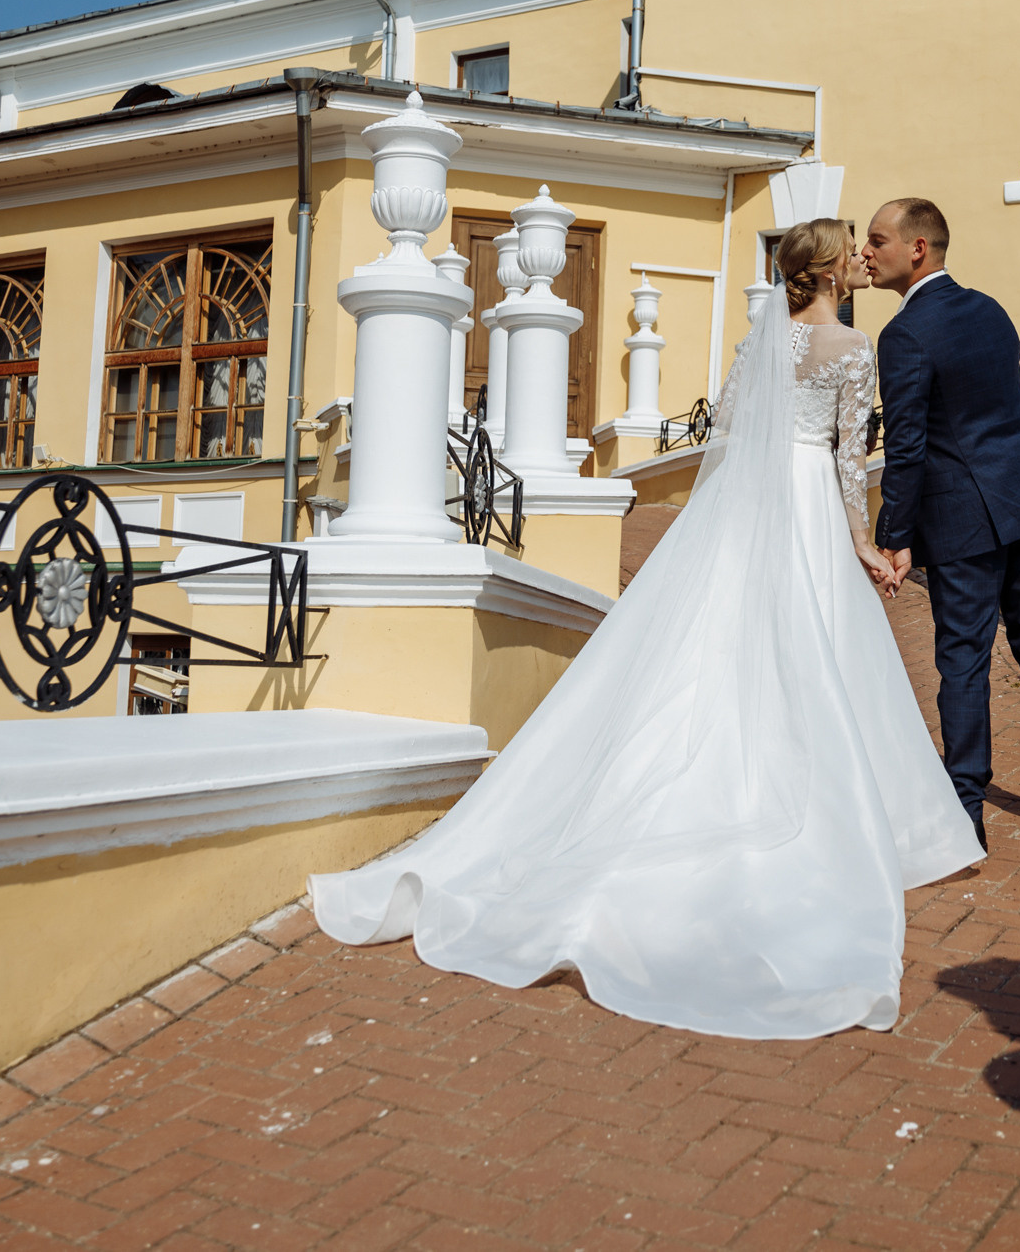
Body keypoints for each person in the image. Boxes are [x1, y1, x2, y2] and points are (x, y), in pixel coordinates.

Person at [307, 218, 979, 1040]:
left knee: (714, 646)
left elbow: (727, 423)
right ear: (835, 272)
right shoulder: (851, 347)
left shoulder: (760, 339)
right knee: (813, 652)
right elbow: (846, 461)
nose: (863, 257)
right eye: (853, 249)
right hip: (806, 500)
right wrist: (861, 541)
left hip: (746, 501)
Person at [862, 197, 1020, 851]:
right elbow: (1002, 409)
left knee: (964, 658)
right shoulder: (992, 311)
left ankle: (966, 808)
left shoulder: (904, 334)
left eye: (878, 240)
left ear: (918, 248)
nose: (866, 251)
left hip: (962, 516)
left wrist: (894, 535)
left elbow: (907, 446)